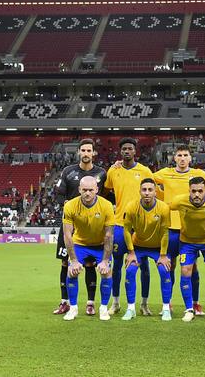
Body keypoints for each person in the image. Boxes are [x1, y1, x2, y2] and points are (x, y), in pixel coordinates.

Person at [53, 138, 108, 317]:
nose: (86, 153)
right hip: (71, 222)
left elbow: (106, 195)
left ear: (93, 153)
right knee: (66, 262)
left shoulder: (101, 173)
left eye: (88, 151)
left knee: (91, 262)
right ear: (79, 152)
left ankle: (90, 303)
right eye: (83, 150)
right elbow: (60, 196)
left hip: (92, 224)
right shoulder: (68, 171)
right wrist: (68, 205)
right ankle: (65, 302)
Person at [152, 144, 205, 315]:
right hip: (169, 228)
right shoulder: (165, 173)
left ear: (190, 158)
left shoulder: (199, 175)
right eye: (179, 155)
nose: (182, 158)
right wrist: (161, 198)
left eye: (185, 155)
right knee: (170, 265)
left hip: (189, 230)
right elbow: (146, 180)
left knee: (193, 267)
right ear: (174, 158)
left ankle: (195, 303)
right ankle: (167, 303)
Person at [101, 137, 153, 316]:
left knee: (143, 264)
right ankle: (115, 303)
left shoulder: (144, 171)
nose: (127, 151)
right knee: (116, 265)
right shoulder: (113, 171)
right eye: (124, 149)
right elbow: (104, 192)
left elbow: (151, 193)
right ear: (120, 151)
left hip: (140, 226)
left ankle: (144, 304)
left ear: (135, 151)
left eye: (130, 148)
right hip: (119, 224)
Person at [169, 177, 205, 322]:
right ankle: (189, 309)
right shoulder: (180, 201)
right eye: (193, 191)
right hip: (187, 242)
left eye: (200, 191)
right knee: (185, 270)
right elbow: (164, 207)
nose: (197, 194)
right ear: (189, 191)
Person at [61, 176, 114, 321]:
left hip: (100, 244)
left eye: (91, 190)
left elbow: (109, 235)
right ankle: (73, 308)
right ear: (79, 190)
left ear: (97, 190)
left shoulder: (106, 205)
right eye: (84, 190)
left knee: (106, 272)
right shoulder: (70, 206)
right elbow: (67, 235)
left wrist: (105, 260)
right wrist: (73, 260)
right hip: (80, 244)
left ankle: (103, 308)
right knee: (72, 271)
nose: (87, 193)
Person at [122, 178, 173, 321]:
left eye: (150, 190)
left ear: (156, 192)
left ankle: (166, 308)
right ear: (139, 192)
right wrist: (131, 252)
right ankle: (131, 308)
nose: (147, 193)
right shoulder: (131, 207)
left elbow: (164, 233)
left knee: (164, 270)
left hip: (157, 248)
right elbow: (126, 230)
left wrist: (163, 254)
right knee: (130, 270)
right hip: (137, 246)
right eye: (144, 190)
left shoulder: (163, 208)